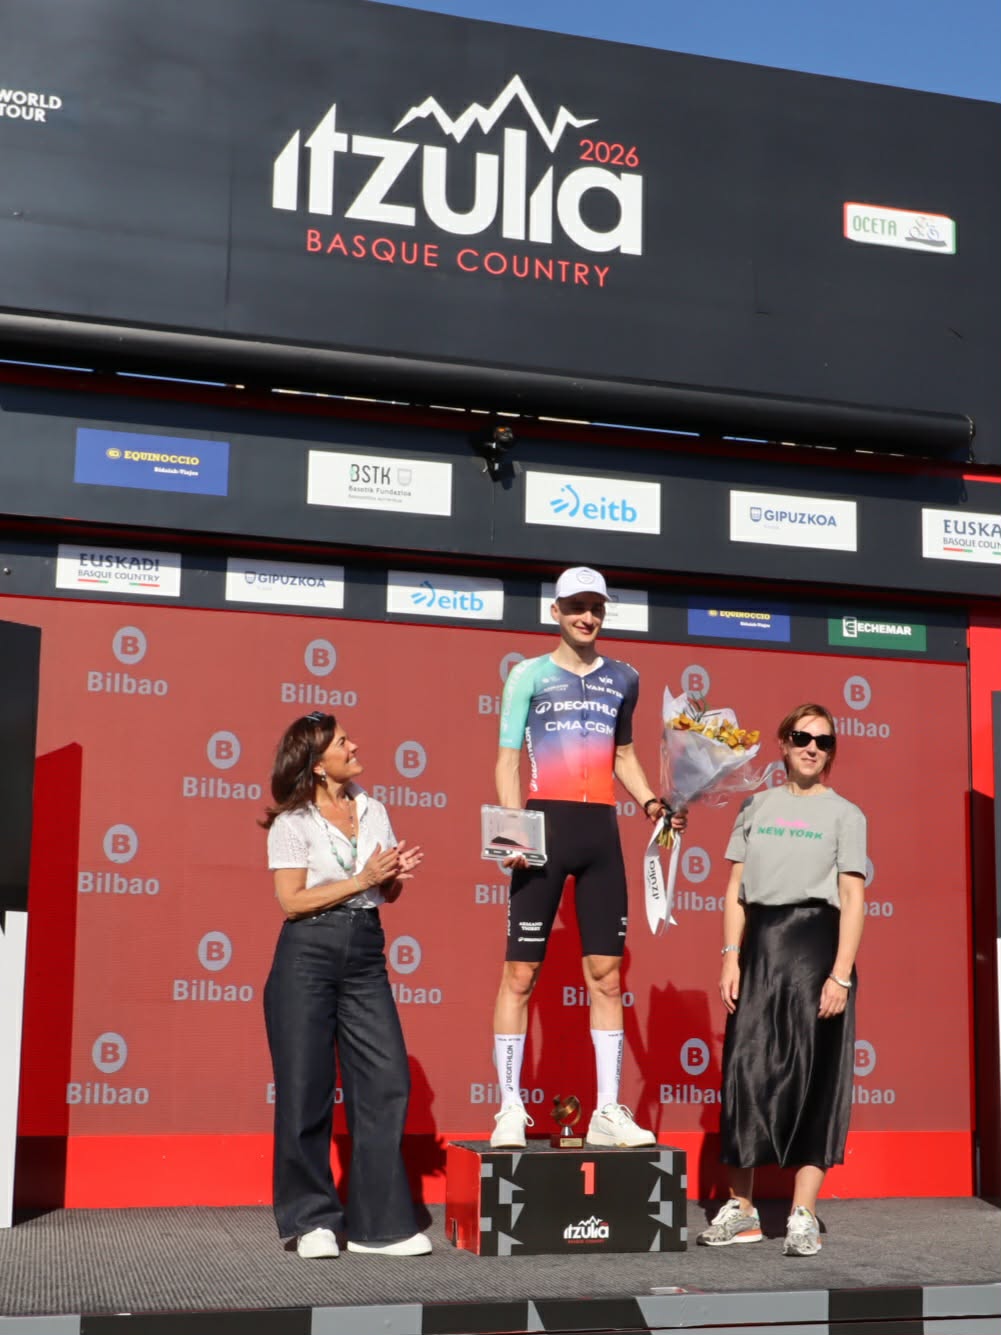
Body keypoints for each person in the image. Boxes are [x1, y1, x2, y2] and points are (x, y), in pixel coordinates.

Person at [489, 566, 686, 1149]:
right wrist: (512, 836)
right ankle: (507, 1108)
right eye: (576, 606)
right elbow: (505, 763)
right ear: (556, 610)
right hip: (541, 828)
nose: (587, 617)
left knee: (605, 975)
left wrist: (652, 801)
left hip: (600, 832)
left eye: (596, 607)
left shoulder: (625, 677)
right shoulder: (527, 674)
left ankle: (606, 1110)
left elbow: (622, 753)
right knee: (519, 975)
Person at [697, 703, 865, 1257]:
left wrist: (840, 974)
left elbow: (852, 898)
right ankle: (741, 1211)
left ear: (833, 751)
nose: (812, 747)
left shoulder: (847, 815)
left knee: (816, 1079)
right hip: (760, 951)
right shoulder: (754, 805)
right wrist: (729, 957)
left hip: (817, 951)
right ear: (782, 743)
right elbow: (735, 891)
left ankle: (802, 1214)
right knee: (744, 1076)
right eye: (801, 737)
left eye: (823, 740)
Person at [261, 710, 431, 1259]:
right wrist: (361, 878)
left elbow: (383, 893)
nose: (354, 745)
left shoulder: (374, 807)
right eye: (341, 742)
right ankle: (311, 1220)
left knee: (386, 1080)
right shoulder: (293, 822)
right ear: (316, 764)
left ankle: (377, 1225)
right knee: (305, 1089)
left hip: (364, 950)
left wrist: (393, 879)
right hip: (306, 954)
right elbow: (291, 901)